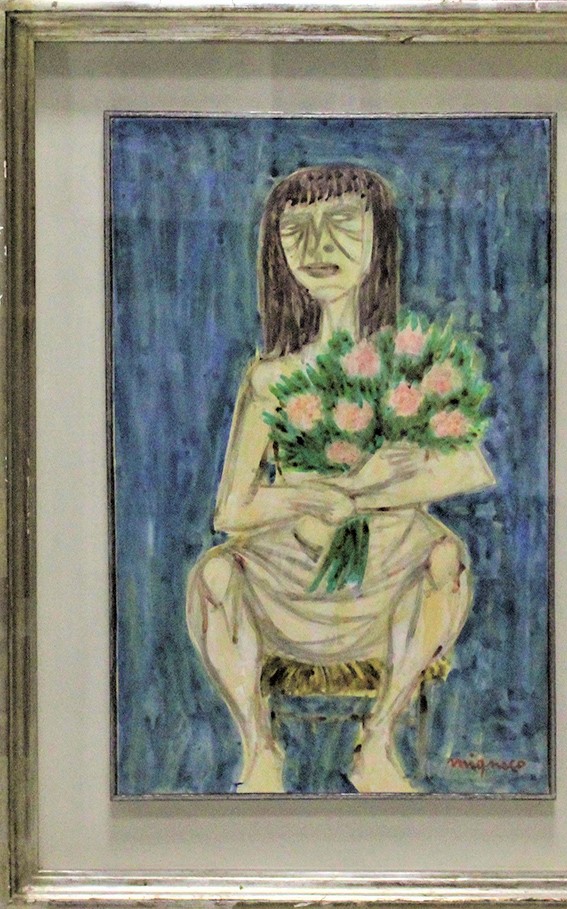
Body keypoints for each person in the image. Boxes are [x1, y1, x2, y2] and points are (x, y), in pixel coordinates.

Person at [186, 164, 495, 793]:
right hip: (290, 573)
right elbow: (231, 510)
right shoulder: (270, 378)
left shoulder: (409, 362)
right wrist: (334, 492)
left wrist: (355, 492)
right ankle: (259, 749)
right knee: (213, 576)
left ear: (379, 237)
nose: (317, 246)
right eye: (295, 230)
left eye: (342, 222)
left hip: (386, 571)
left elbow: (468, 468)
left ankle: (377, 743)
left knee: (446, 558)